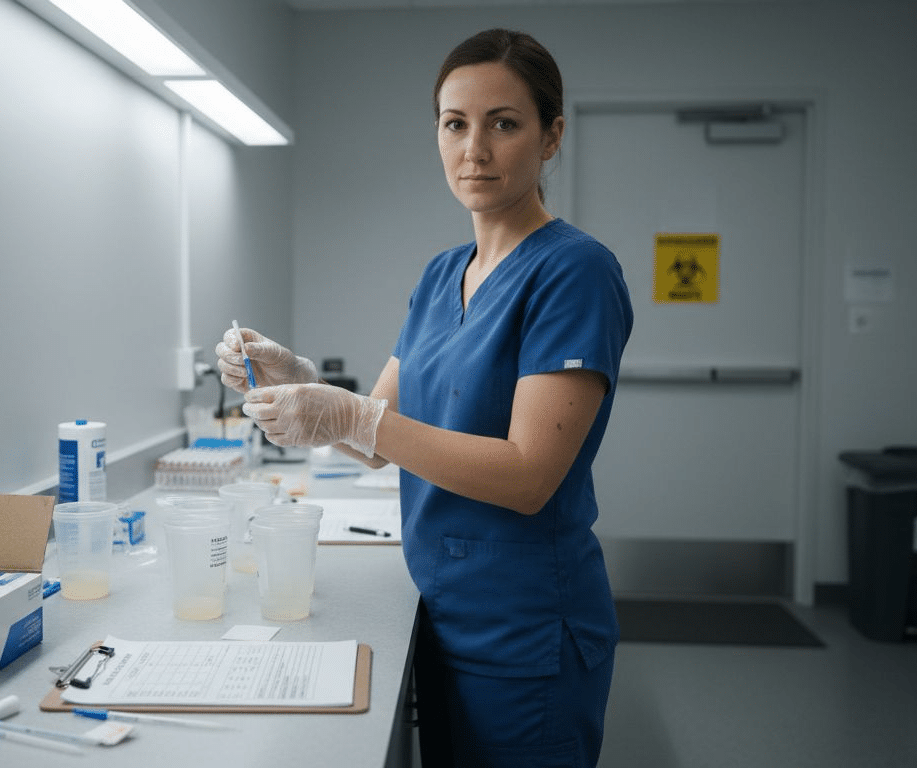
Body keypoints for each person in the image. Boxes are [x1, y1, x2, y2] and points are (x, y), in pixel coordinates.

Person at [216, 28, 632, 768]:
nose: (475, 148)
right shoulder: (443, 275)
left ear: (550, 137)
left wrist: (350, 414)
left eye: (504, 123)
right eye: (455, 123)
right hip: (439, 611)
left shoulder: (576, 273)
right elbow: (375, 444)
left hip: (523, 627)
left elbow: (530, 476)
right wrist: (298, 383)